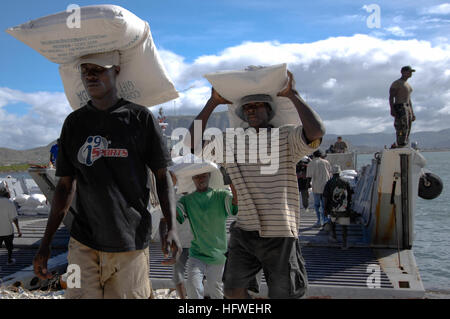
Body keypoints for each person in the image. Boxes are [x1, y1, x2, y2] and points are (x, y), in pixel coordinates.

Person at [32, 51, 181, 299]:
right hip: (82, 244)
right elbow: (64, 187)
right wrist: (45, 243)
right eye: (85, 70)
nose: (90, 75)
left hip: (129, 243)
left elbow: (162, 176)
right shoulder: (74, 123)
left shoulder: (140, 118)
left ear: (116, 71)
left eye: (99, 69)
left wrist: (171, 225)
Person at [189, 70, 325, 299]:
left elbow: (316, 132)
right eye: (247, 108)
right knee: (232, 290)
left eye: (257, 106)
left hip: (281, 232)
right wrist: (212, 102)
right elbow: (193, 144)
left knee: (284, 294)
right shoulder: (231, 142)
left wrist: (293, 95)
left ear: (269, 111)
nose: (251, 110)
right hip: (245, 230)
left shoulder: (285, 137)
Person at [176, 172, 238, 299]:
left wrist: (230, 178)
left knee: (216, 290)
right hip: (196, 254)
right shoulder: (187, 200)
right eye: (197, 176)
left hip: (218, 255)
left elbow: (235, 203)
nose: (200, 179)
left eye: (203, 175)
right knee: (193, 285)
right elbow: (174, 215)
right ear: (192, 178)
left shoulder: (221, 195)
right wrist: (169, 184)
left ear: (210, 175)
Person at [323, 165, 353, 249]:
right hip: (344, 208)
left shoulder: (329, 183)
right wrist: (349, 206)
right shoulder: (345, 182)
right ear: (340, 173)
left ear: (332, 173)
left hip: (332, 208)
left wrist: (325, 209)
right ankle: (344, 243)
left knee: (333, 223)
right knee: (344, 226)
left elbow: (325, 197)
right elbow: (350, 195)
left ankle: (334, 237)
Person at [389, 66, 416, 147]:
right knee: (401, 126)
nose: (410, 73)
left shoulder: (408, 85)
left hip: (407, 107)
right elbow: (391, 97)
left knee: (408, 127)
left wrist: (412, 112)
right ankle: (400, 142)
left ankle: (405, 141)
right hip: (400, 106)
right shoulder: (396, 83)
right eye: (408, 71)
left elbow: (409, 99)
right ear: (402, 72)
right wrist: (392, 109)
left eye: (411, 72)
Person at [306, 149, 332, 229]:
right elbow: (330, 174)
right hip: (325, 187)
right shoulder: (326, 162)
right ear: (321, 155)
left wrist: (307, 186)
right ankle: (325, 220)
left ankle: (318, 221)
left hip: (316, 187)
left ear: (314, 155)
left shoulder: (311, 163)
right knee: (324, 205)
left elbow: (309, 177)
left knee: (317, 205)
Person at [0, 182, 22, 266]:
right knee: (9, 247)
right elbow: (14, 218)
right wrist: (18, 230)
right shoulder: (9, 203)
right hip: (7, 231)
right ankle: (9, 260)